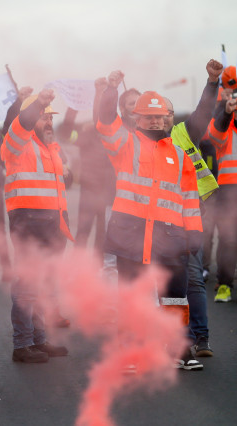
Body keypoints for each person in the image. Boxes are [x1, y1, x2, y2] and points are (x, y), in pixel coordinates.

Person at [97, 71, 204, 371]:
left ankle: (179, 348)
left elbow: (190, 199)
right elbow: (105, 122)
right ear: (136, 120)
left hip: (170, 239)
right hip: (130, 236)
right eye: (148, 117)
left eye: (160, 117)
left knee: (175, 298)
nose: (155, 122)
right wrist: (110, 88)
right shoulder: (124, 145)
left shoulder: (181, 157)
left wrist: (194, 234)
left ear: (167, 119)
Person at [1, 89, 71, 363]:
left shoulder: (51, 148)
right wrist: (35, 106)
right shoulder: (17, 142)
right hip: (27, 223)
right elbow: (20, 125)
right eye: (43, 117)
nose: (48, 123)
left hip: (52, 225)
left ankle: (39, 340)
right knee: (27, 284)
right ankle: (22, 345)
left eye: (50, 118)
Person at [163, 59, 223, 357]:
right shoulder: (138, 142)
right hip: (156, 221)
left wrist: (212, 83)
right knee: (163, 283)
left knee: (193, 278)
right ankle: (175, 340)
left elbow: (203, 112)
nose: (162, 120)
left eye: (167, 114)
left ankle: (200, 338)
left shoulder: (183, 133)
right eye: (156, 115)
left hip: (189, 215)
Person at [209, 65, 237, 304]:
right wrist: (226, 111)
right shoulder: (224, 126)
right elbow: (215, 133)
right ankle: (225, 284)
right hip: (229, 189)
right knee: (228, 238)